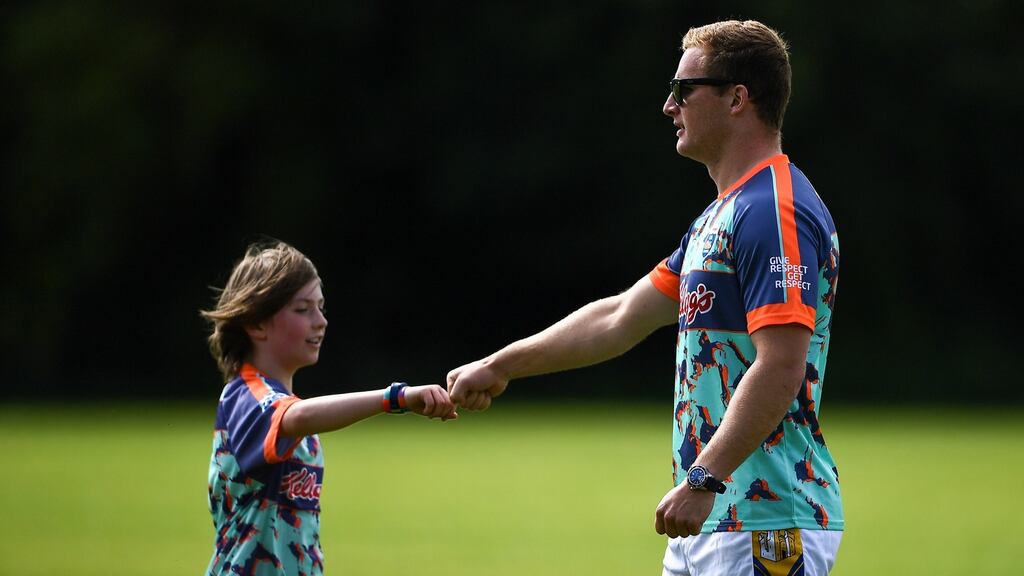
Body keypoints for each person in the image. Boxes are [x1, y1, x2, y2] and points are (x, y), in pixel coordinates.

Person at [447, 19, 843, 575]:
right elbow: (620, 316)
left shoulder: (772, 211)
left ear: (737, 98)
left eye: (684, 89)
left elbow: (781, 364)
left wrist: (705, 476)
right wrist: (501, 365)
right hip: (709, 514)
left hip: (761, 521)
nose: (668, 105)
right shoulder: (722, 214)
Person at [200, 239, 456, 575]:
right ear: (256, 323)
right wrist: (396, 397)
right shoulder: (244, 396)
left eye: (321, 307)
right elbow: (298, 416)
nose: (320, 321)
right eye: (303, 309)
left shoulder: (288, 411)